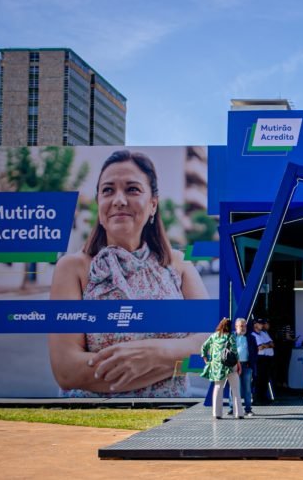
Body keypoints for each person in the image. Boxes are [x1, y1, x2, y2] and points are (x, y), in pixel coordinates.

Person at [48, 150, 208, 397]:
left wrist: (156, 355)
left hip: (171, 424)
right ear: (99, 205)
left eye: (132, 189)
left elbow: (211, 339)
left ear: (153, 204)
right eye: (108, 190)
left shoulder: (179, 265)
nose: (119, 200)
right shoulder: (73, 268)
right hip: (94, 426)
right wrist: (175, 360)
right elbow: (68, 371)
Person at [201, 318, 243, 419]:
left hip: (217, 367)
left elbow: (203, 347)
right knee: (235, 389)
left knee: (218, 388)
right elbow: (234, 351)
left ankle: (217, 413)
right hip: (229, 366)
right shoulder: (230, 336)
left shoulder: (213, 336)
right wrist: (239, 365)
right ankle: (238, 413)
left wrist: (207, 361)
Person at [228, 318, 257, 417]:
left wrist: (252, 362)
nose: (243, 328)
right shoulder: (231, 337)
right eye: (241, 326)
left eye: (245, 325)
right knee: (234, 388)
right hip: (234, 366)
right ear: (236, 327)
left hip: (246, 365)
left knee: (247, 388)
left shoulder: (251, 337)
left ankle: (248, 409)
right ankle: (232, 408)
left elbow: (255, 351)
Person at [251, 318, 275, 403]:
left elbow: (272, 344)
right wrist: (266, 345)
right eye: (260, 324)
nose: (262, 325)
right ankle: (257, 398)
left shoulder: (263, 333)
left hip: (266, 358)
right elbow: (259, 347)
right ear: (255, 324)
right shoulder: (253, 334)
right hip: (259, 359)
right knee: (258, 379)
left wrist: (265, 345)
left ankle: (263, 397)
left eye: (262, 323)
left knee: (265, 379)